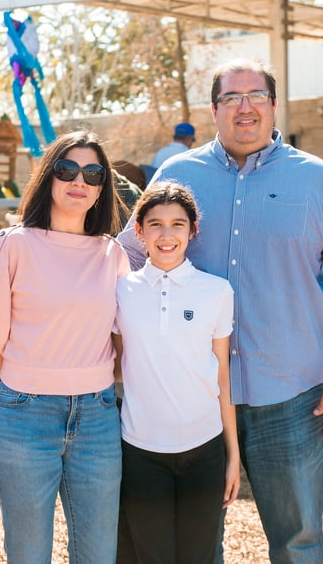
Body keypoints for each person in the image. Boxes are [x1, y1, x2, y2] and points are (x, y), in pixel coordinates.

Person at [118, 58, 323, 564]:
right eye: (231, 97)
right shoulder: (177, 174)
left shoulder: (317, 180)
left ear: (274, 105)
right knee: (195, 546)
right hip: (194, 399)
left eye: (255, 95)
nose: (244, 106)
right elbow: (125, 256)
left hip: (291, 398)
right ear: (214, 110)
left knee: (298, 541)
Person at [0, 130, 130, 564]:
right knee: (28, 555)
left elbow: (126, 338)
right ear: (48, 177)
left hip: (98, 418)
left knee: (98, 554)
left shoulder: (113, 255)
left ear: (102, 188)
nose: (80, 180)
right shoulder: (13, 244)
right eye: (67, 169)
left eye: (93, 173)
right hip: (26, 415)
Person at [113, 180, 240, 564]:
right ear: (139, 232)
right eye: (155, 224)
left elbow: (222, 379)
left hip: (204, 450)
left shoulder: (217, 292)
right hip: (139, 450)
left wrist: (232, 455)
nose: (166, 235)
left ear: (192, 231)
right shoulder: (120, 291)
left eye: (177, 224)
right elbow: (117, 364)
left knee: (198, 557)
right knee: (149, 556)